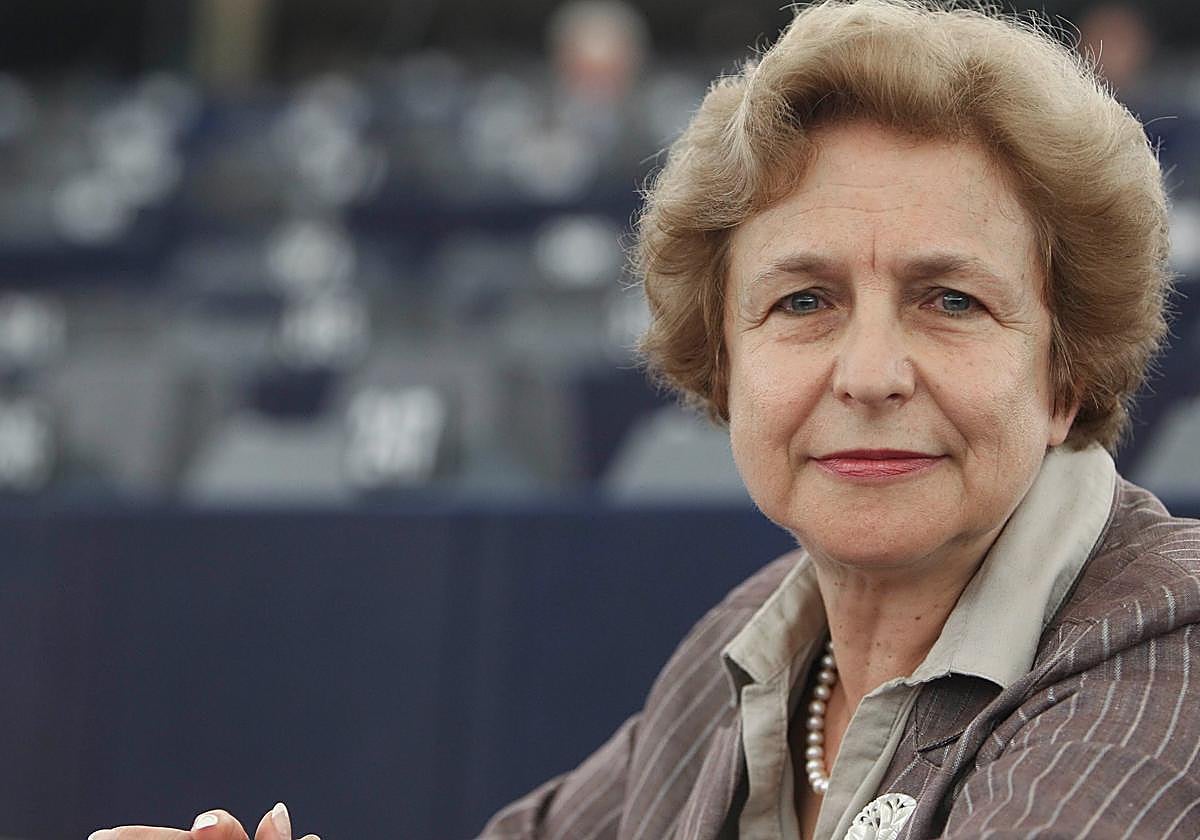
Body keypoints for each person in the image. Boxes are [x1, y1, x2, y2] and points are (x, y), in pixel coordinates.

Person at [91, 1, 1200, 839]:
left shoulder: (1173, 661)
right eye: (802, 302)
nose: (869, 374)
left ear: (1065, 374)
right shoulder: (757, 639)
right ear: (724, 361)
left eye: (950, 301)